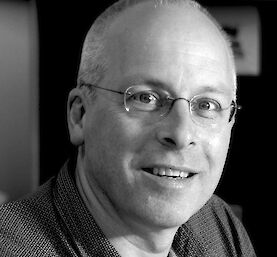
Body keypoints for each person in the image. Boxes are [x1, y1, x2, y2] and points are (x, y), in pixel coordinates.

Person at [0, 0, 256, 256]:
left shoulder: (218, 226)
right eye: (146, 98)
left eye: (207, 105)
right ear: (80, 115)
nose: (181, 134)